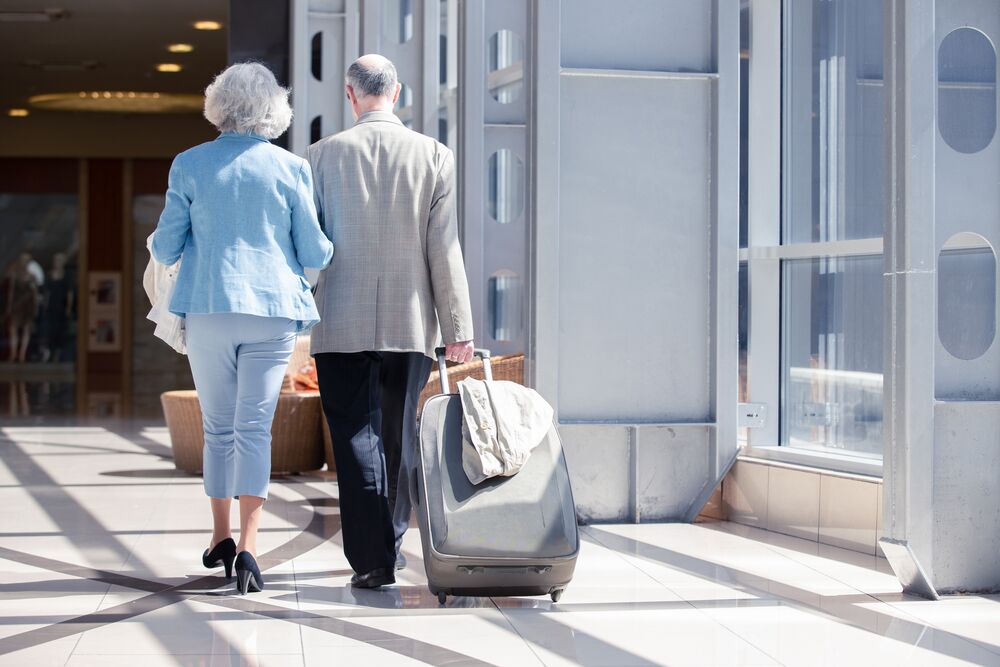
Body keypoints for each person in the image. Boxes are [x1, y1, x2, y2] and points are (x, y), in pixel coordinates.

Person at [152, 62, 333, 595]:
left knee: (218, 428)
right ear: (274, 109)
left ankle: (220, 536)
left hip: (208, 307)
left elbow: (164, 246)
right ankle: (252, 548)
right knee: (255, 428)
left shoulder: (189, 165)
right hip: (273, 310)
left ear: (218, 105)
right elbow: (315, 250)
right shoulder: (291, 168)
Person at [307, 54, 474, 589]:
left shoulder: (320, 156)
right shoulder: (434, 155)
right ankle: (392, 542)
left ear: (350, 96)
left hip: (339, 321)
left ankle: (371, 558)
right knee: (399, 436)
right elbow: (443, 251)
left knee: (355, 435)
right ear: (397, 93)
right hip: (409, 322)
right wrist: (458, 329)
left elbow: (308, 249)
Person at [5, 254, 40, 363]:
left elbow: (35, 293)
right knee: (13, 328)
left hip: (28, 305)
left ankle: (22, 354)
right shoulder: (15, 275)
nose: (24, 262)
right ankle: (13, 353)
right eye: (22, 260)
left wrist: (36, 306)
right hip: (17, 305)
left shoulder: (32, 276)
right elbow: (11, 292)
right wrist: (9, 306)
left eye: (26, 260)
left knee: (26, 329)